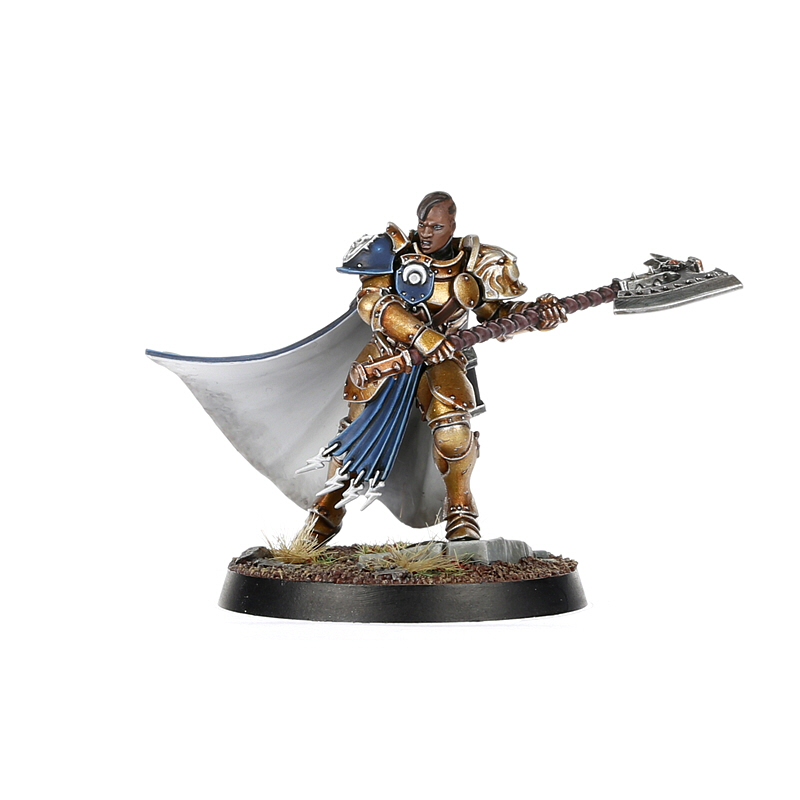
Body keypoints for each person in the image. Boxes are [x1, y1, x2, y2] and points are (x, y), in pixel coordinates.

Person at [299, 192, 566, 545]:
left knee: (454, 429)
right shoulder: (393, 252)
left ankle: (461, 511)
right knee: (357, 436)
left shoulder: (475, 263)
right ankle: (325, 512)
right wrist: (421, 336)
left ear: (452, 225)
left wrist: (535, 316)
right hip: (387, 359)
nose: (426, 233)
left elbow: (496, 315)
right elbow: (372, 303)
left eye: (436, 227)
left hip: (443, 361)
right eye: (423, 225)